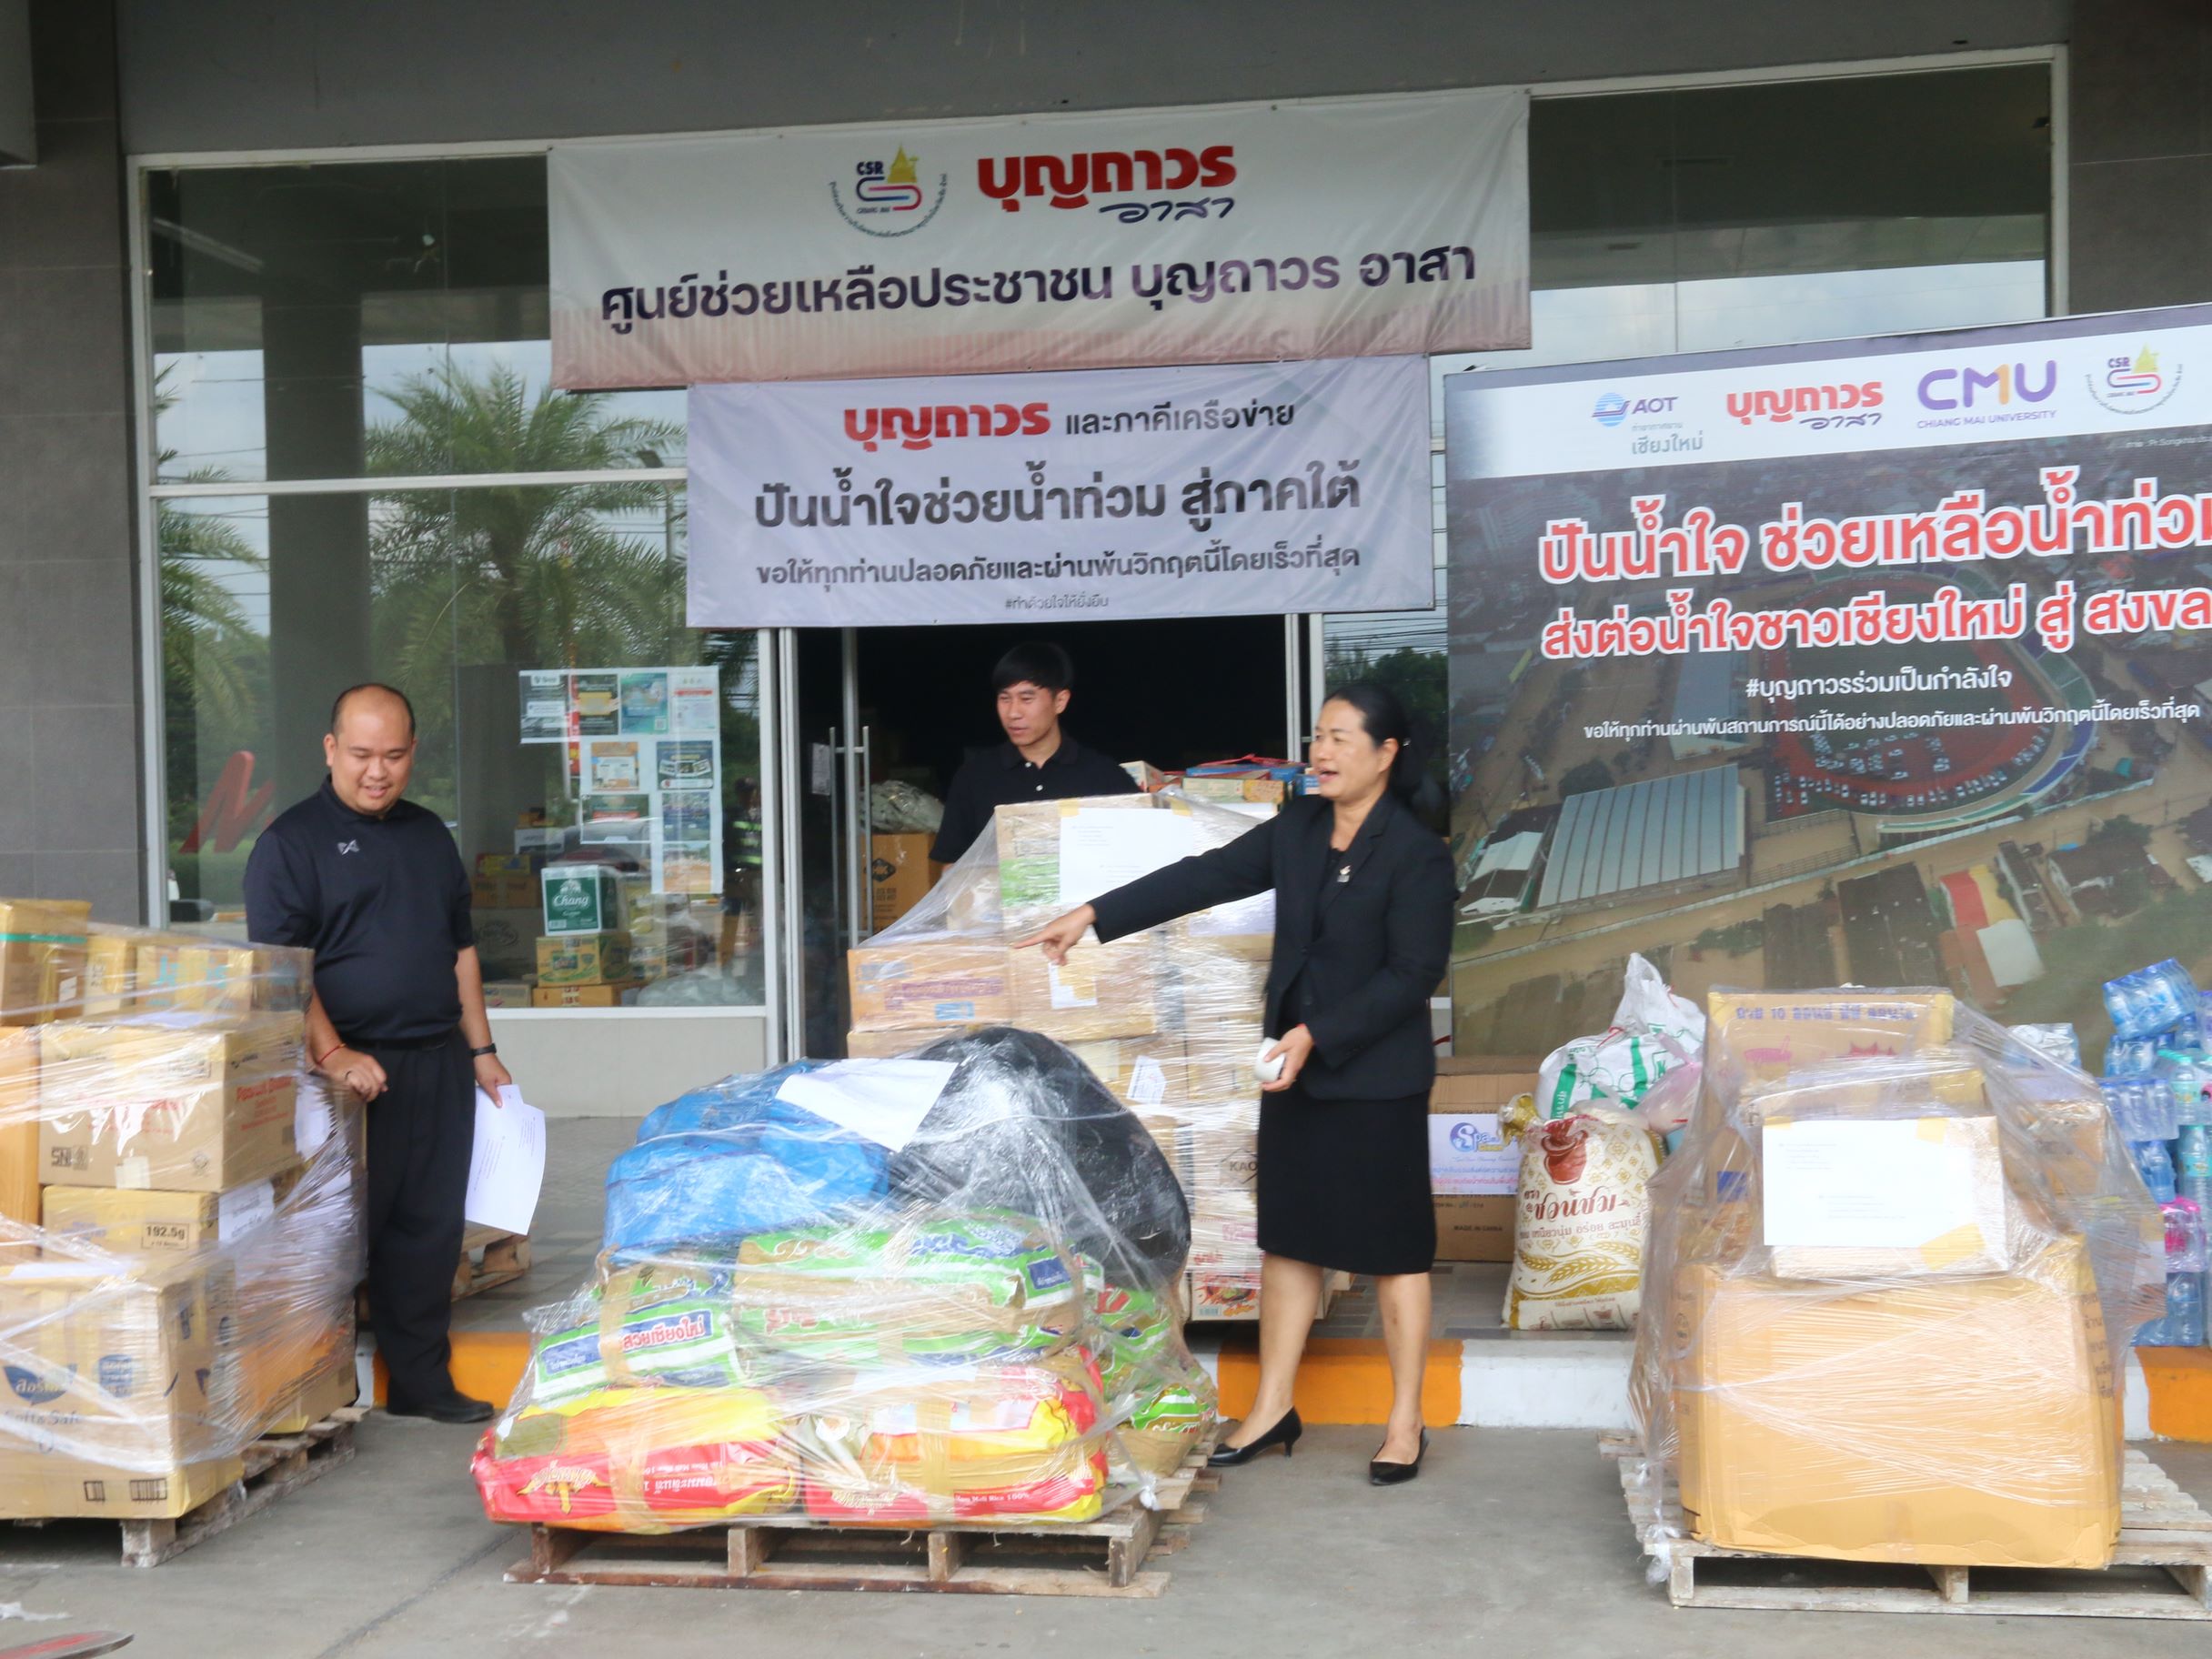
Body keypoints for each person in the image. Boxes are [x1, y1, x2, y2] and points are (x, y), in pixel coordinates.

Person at [1021, 683, 1453, 1484]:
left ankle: (1405, 1421)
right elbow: (1205, 876)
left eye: (1341, 738)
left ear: (1387, 753)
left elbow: (1412, 974)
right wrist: (1092, 915)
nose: (1321, 752)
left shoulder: (1416, 853)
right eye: (1318, 736)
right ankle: (1273, 1408)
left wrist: (1316, 1034)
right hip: (1293, 1073)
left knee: (1395, 1250)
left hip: (1375, 1078)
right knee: (1289, 1239)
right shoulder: (1299, 826)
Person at [245, 683, 514, 1425]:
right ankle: (308, 1388)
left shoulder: (429, 834)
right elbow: (283, 968)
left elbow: (460, 950)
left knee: (430, 1228)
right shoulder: (290, 844)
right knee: (336, 1233)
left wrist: (482, 1049)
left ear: (412, 753)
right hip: (343, 1079)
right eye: (362, 754)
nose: (377, 771)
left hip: (436, 1059)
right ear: (330, 749)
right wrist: (333, 1053)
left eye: (393, 756)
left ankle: (421, 1382)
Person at [929, 641, 1138, 864]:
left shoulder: (1105, 777)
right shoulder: (974, 778)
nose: (1013, 713)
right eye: (1005, 699)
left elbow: (1139, 858)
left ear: (1060, 701)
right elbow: (951, 867)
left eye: (1026, 699)